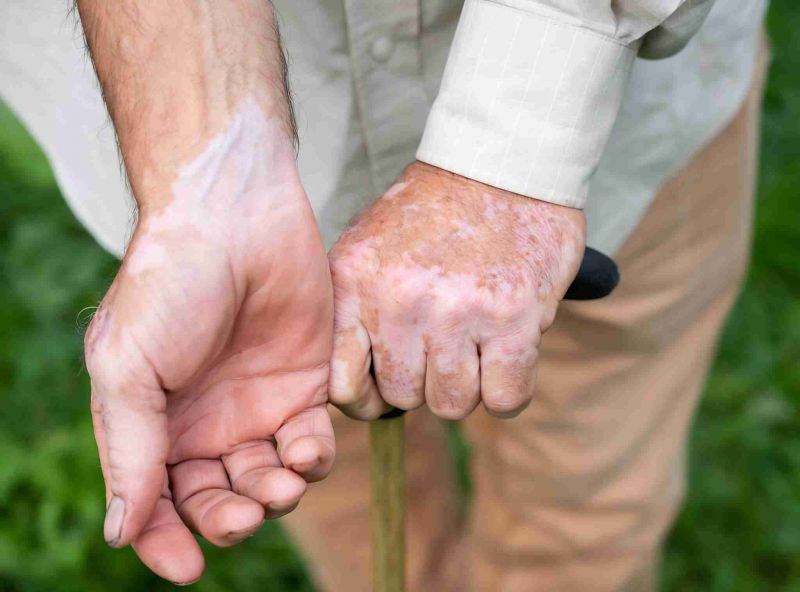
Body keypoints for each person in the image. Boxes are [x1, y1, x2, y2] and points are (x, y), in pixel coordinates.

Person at [0, 0, 767, 589]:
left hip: (614, 137)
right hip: (246, 258)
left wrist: (505, 160)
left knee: (580, 513)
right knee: (319, 477)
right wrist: (207, 174)